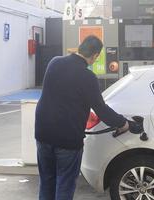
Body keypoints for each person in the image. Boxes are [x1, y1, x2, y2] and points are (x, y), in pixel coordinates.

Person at [35, 35, 129, 200]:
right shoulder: (87, 77)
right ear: (95, 56)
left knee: (47, 182)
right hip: (67, 139)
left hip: (43, 134)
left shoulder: (54, 62)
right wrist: (122, 123)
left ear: (80, 47)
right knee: (64, 184)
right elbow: (101, 109)